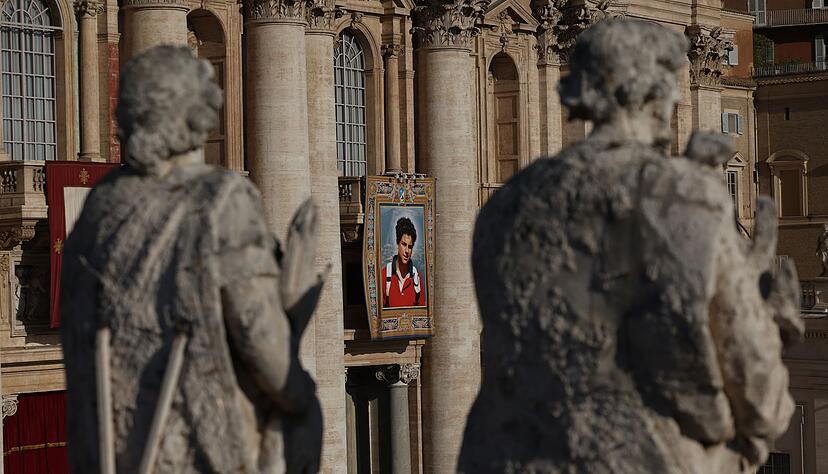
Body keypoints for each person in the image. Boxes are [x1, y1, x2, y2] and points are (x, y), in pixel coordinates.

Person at [60, 45, 322, 474]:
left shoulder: (97, 208)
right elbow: (266, 351)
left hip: (105, 456)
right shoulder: (221, 200)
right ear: (197, 115)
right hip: (202, 454)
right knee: (301, 410)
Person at [382, 217, 424, 307]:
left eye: (410, 247)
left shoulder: (416, 277)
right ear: (397, 243)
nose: (407, 251)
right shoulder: (385, 275)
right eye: (404, 244)